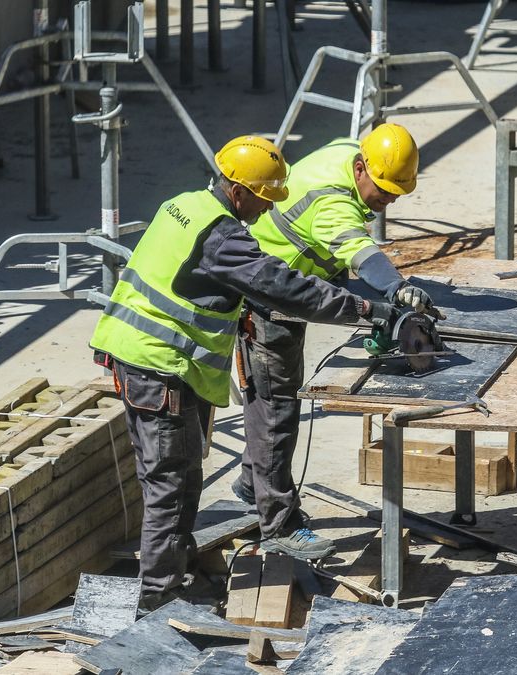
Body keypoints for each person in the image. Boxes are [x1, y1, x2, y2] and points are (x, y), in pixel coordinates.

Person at [89, 135, 396, 612]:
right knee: (168, 487)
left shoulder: (184, 204)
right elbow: (281, 286)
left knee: (185, 475)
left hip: (148, 359)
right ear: (237, 190)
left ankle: (178, 574)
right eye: (262, 199)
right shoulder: (224, 238)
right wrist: (363, 307)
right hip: (157, 366)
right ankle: (157, 602)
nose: (264, 211)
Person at [235, 123, 442, 560]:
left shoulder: (348, 150)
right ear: (361, 168)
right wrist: (398, 289)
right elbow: (362, 254)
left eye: (396, 194)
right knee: (276, 412)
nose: (388, 201)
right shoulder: (333, 202)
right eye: (384, 192)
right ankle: (279, 524)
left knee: (272, 407)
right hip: (270, 296)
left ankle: (251, 483)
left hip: (296, 282)